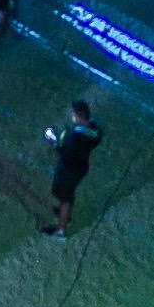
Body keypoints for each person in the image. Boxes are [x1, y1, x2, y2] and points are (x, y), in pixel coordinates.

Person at [44, 98, 98, 234]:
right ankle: (64, 213)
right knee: (68, 192)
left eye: (73, 113)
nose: (71, 115)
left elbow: (65, 154)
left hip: (69, 169)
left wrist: (53, 142)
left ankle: (61, 229)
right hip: (80, 167)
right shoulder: (93, 129)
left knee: (63, 196)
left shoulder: (75, 137)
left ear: (79, 115)